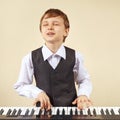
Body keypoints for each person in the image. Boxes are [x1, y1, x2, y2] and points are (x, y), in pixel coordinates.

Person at [14, 8, 92, 110]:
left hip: (71, 111)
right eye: (45, 24)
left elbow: (84, 80)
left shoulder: (76, 56)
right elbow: (21, 85)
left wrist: (83, 95)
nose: (50, 27)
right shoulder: (29, 58)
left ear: (66, 31)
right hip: (43, 111)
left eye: (55, 24)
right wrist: (38, 93)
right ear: (41, 31)